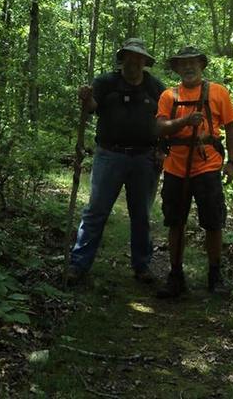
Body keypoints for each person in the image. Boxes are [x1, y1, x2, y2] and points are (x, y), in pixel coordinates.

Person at [67, 38, 166, 284]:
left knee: (141, 214)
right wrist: (86, 98)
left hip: (145, 158)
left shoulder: (156, 88)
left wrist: (164, 150)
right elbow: (92, 107)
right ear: (122, 58)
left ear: (145, 61)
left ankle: (142, 266)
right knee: (96, 211)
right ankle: (78, 265)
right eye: (129, 57)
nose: (134, 61)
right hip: (109, 155)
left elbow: (166, 121)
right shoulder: (106, 82)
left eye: (139, 58)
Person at [155, 46, 233, 298]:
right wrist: (184, 121)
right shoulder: (168, 96)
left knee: (213, 223)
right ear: (177, 69)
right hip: (175, 168)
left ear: (201, 65)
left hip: (208, 166)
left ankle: (215, 275)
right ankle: (176, 276)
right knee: (175, 223)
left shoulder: (218, 92)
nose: (189, 67)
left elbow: (231, 128)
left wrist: (231, 162)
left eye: (193, 62)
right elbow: (160, 129)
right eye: (183, 64)